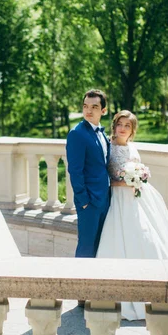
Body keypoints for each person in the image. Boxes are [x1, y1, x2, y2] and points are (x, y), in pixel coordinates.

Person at [96, 110, 168, 320]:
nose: (122, 128)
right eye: (120, 124)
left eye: (127, 126)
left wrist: (139, 178)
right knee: (121, 239)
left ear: (132, 130)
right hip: (119, 199)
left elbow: (137, 169)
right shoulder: (108, 147)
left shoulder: (132, 147)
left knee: (149, 236)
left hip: (138, 199)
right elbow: (107, 177)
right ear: (114, 125)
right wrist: (127, 181)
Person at [66, 89, 112, 259]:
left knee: (100, 244)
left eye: (94, 107)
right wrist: (84, 200)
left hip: (105, 198)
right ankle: (80, 281)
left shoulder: (101, 132)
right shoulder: (77, 134)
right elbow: (75, 171)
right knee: (86, 246)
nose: (88, 111)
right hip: (89, 201)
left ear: (103, 111)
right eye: (85, 106)